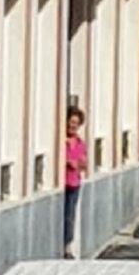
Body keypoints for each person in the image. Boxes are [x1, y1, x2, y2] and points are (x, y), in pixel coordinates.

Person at [64, 108, 88, 259]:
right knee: (64, 215)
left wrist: (77, 164)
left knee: (70, 215)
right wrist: (67, 161)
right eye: (71, 122)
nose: (73, 126)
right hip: (63, 183)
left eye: (76, 123)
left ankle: (67, 246)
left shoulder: (80, 143)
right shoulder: (62, 141)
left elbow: (84, 164)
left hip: (74, 183)